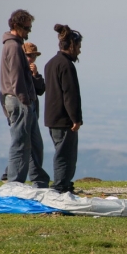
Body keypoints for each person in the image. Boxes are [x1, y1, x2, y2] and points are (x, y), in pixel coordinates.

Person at [0, 9, 50, 188]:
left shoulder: (16, 45)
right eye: (27, 27)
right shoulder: (13, 47)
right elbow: (15, 77)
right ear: (17, 25)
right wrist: (24, 99)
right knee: (20, 143)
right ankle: (15, 183)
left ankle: (39, 181)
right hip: (20, 100)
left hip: (23, 99)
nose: (29, 32)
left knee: (35, 144)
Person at [44, 24, 84, 194]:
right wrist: (76, 118)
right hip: (64, 118)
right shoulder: (66, 66)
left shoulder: (50, 63)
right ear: (72, 45)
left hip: (52, 117)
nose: (80, 52)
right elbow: (70, 94)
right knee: (65, 156)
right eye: (79, 47)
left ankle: (65, 184)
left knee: (62, 153)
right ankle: (60, 187)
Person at [1, 42, 45, 182]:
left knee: (32, 145)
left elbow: (41, 89)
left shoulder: (30, 72)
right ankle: (10, 176)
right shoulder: (17, 70)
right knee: (20, 144)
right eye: (28, 55)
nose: (31, 59)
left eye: (33, 56)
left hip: (32, 114)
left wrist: (35, 75)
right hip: (21, 110)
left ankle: (35, 179)